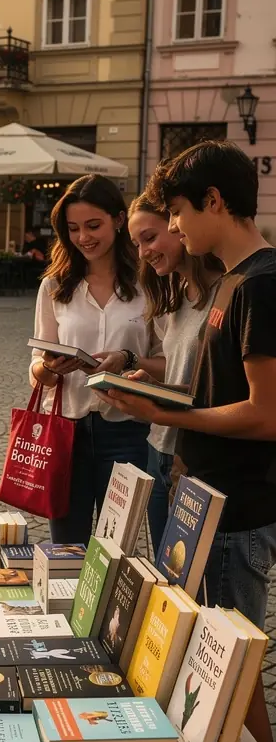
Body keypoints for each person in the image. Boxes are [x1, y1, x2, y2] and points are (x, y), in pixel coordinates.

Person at [105, 141, 276, 742]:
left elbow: (265, 414)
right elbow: (209, 391)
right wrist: (144, 390)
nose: (170, 227)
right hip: (202, 500)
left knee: (239, 684)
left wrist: (167, 417)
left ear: (213, 203)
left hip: (240, 513)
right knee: (211, 670)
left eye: (176, 213)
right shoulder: (227, 285)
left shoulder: (264, 284)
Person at [30, 174, 163, 544]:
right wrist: (49, 369)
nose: (83, 237)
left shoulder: (148, 283)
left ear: (119, 221)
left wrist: (127, 358)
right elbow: (38, 367)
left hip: (129, 430)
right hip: (65, 430)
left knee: (115, 551)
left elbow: (170, 362)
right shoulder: (55, 285)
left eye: (93, 225)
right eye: (73, 228)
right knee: (66, 547)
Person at [127, 185, 222, 552]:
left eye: (149, 237)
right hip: (159, 447)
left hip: (196, 455)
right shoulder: (174, 295)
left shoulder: (228, 294)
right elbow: (180, 372)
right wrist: (146, 380)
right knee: (168, 581)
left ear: (177, 224)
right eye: (136, 243)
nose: (143, 252)